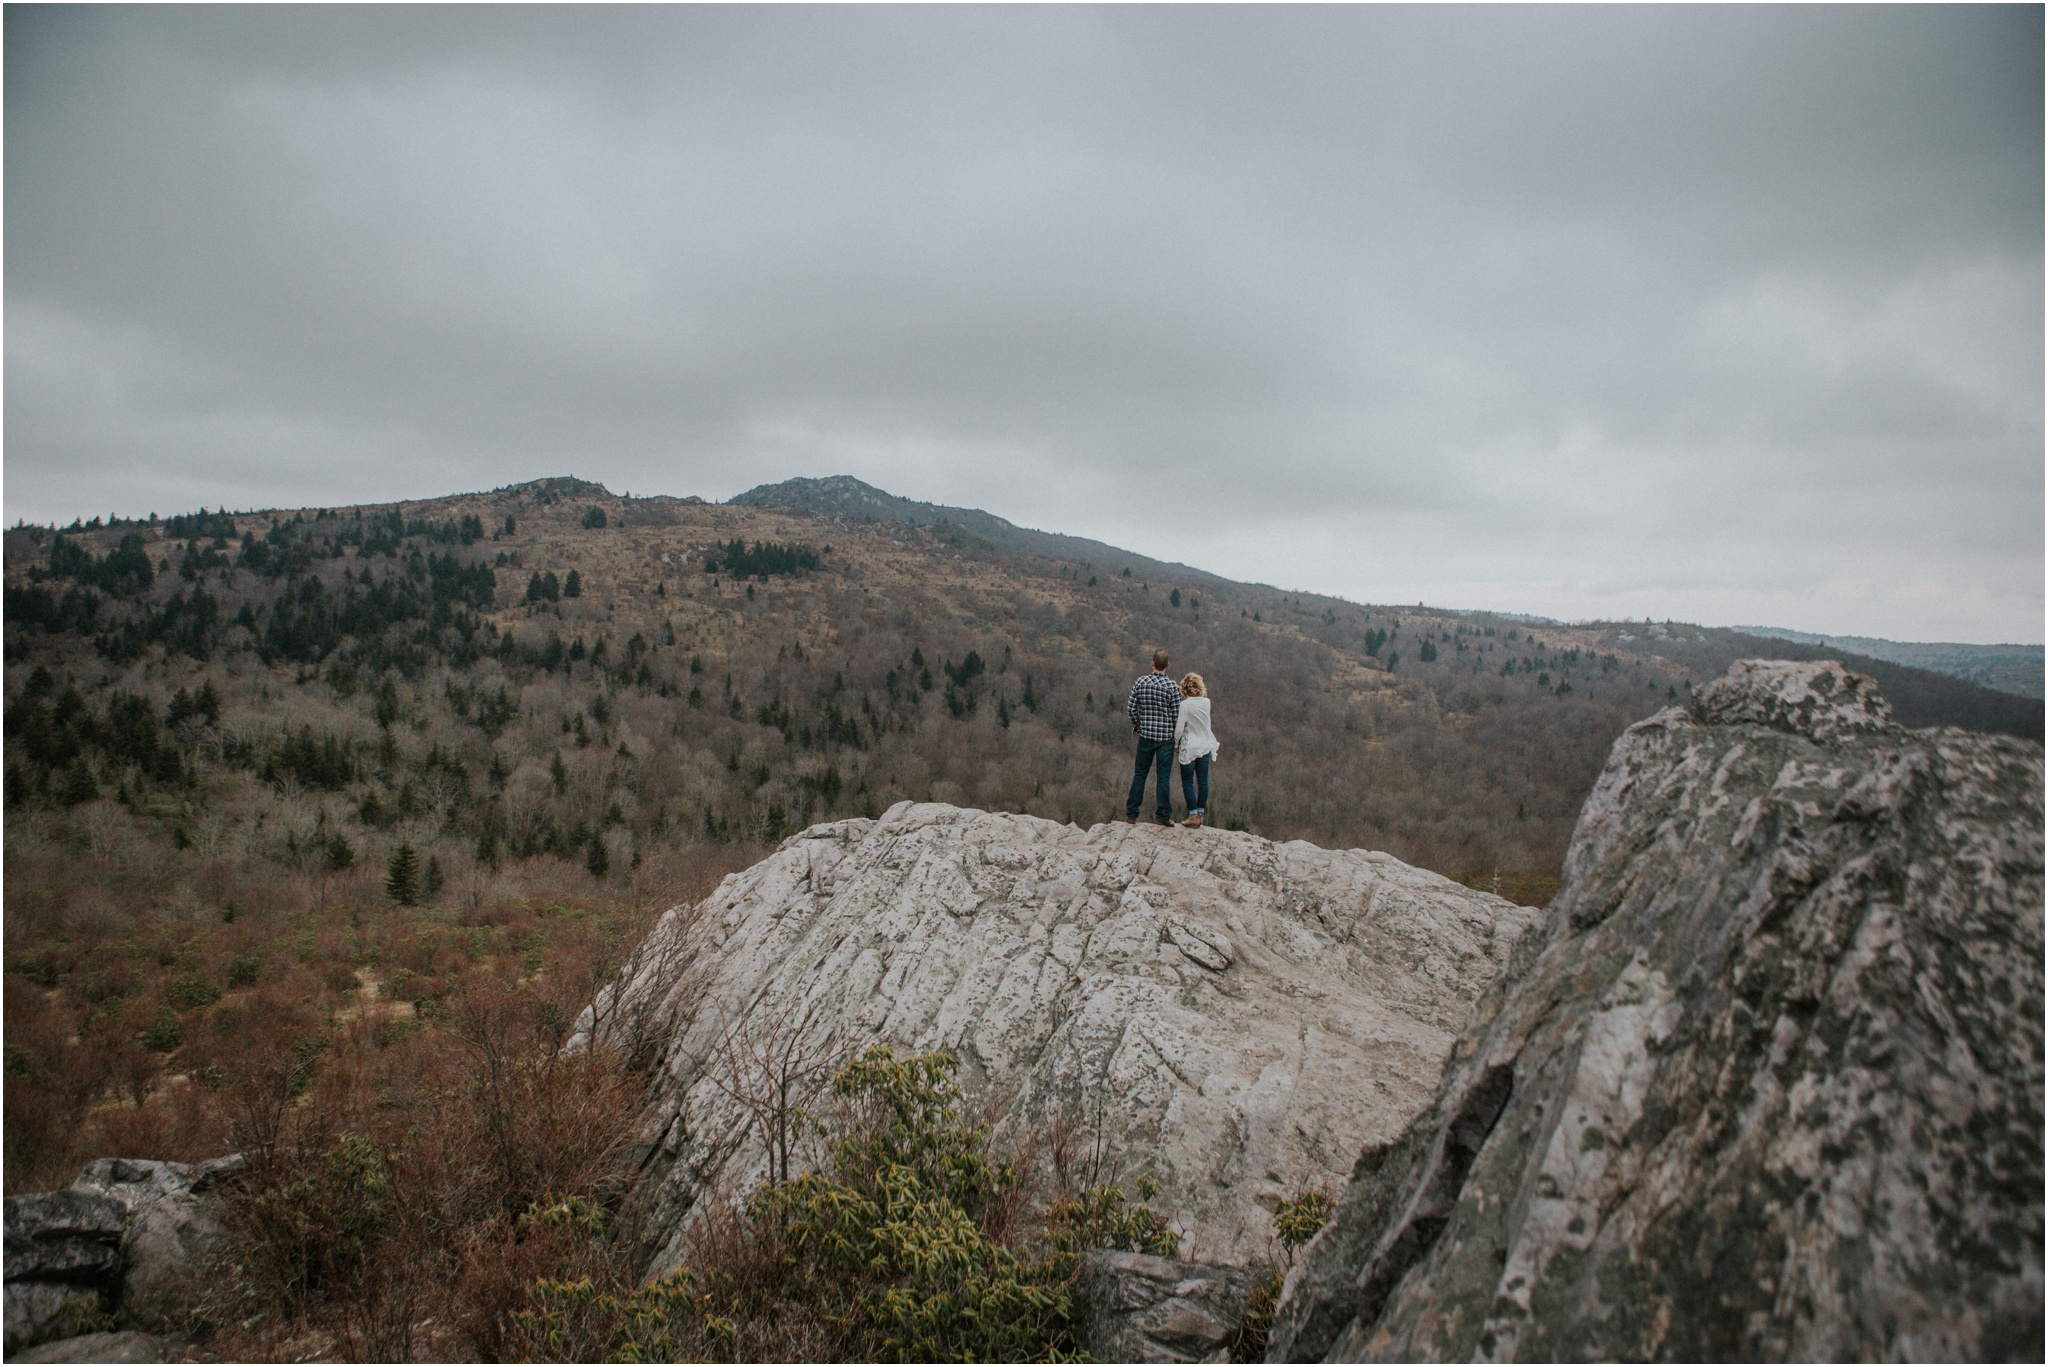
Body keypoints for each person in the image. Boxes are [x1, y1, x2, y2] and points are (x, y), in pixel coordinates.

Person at [1124, 650, 1182, 825]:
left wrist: (1139, 725)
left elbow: (1131, 709)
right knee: (1163, 777)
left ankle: (1131, 814)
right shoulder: (1172, 687)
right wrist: (1176, 738)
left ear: (1152, 663)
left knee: (1140, 774)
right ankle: (1163, 816)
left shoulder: (1141, 682)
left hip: (1146, 735)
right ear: (1168, 665)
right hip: (1165, 737)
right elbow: (1176, 715)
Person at [1174, 672, 1218, 828]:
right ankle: (1200, 814)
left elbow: (1179, 729)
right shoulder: (1206, 702)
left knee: (1187, 782)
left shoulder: (1185, 705)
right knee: (1203, 782)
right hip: (1205, 744)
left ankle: (1192, 814)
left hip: (1190, 745)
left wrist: (1176, 743)